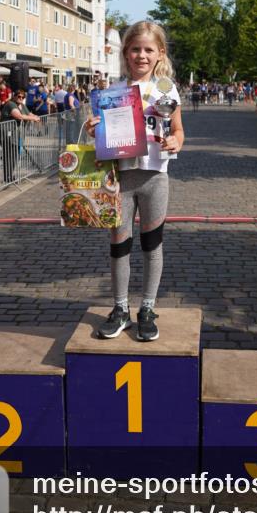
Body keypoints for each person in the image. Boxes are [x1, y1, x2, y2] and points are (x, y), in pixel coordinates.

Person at [87, 21, 184, 344]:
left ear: (160, 53)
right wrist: (94, 128)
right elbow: (102, 132)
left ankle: (147, 308)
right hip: (121, 178)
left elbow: (179, 130)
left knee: (152, 244)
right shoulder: (113, 93)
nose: (141, 55)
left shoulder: (166, 89)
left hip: (155, 177)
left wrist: (177, 142)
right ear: (126, 53)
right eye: (135, 49)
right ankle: (120, 308)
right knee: (119, 246)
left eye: (148, 49)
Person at [0, 89, 41, 183]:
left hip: (15, 134)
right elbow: (18, 116)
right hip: (6, 133)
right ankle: (7, 177)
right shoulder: (11, 104)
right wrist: (33, 118)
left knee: (14, 155)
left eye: (22, 97)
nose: (20, 98)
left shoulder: (21, 105)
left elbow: (28, 113)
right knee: (9, 155)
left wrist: (36, 117)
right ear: (14, 96)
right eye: (19, 96)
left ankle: (10, 175)